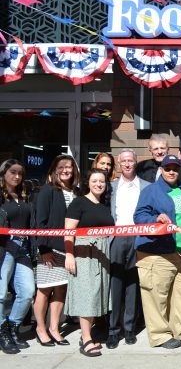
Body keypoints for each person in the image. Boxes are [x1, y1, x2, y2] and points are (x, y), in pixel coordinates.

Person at [134, 154, 181, 349]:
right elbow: (139, 216)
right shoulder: (151, 191)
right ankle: (160, 335)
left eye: (175, 168)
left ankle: (179, 329)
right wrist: (156, 219)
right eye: (167, 168)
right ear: (161, 170)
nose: (171, 171)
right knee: (157, 295)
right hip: (157, 251)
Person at [63, 169, 114, 357]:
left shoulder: (104, 205)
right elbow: (68, 232)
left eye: (102, 181)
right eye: (94, 181)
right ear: (87, 183)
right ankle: (86, 339)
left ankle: (87, 334)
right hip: (84, 253)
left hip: (102, 253)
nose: (99, 184)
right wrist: (69, 255)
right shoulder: (79, 203)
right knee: (87, 295)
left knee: (96, 295)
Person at [34, 154, 81, 347]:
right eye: (61, 167)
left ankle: (54, 327)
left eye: (69, 167)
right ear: (54, 170)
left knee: (61, 289)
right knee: (44, 290)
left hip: (68, 249)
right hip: (50, 249)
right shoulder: (47, 191)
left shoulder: (76, 192)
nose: (65, 170)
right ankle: (40, 328)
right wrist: (44, 249)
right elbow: (40, 222)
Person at [106, 149, 150, 349]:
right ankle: (113, 330)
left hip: (138, 238)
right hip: (116, 239)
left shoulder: (146, 187)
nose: (127, 164)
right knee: (115, 285)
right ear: (118, 163)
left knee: (133, 284)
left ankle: (129, 328)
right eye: (123, 161)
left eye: (130, 161)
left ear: (135, 162)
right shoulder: (110, 187)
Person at [0, 159, 36, 354]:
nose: (17, 176)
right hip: (4, 248)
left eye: (20, 173)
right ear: (4, 173)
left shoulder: (24, 196)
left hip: (23, 248)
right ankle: (2, 331)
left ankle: (12, 327)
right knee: (1, 294)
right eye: (13, 172)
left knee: (27, 291)